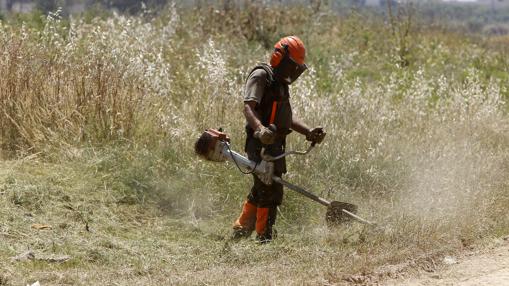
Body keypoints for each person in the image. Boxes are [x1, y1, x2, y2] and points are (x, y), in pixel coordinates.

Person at [232, 36, 326, 242]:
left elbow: (286, 117)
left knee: (261, 187)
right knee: (270, 189)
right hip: (260, 142)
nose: (294, 72)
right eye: (293, 66)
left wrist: (308, 131)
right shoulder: (260, 76)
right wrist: (260, 130)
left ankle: (242, 228)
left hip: (275, 143)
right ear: (278, 58)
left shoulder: (281, 84)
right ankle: (264, 236)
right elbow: (249, 107)